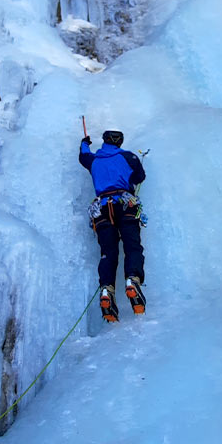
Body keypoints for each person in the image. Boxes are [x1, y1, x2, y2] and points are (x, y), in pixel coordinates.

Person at [79, 130, 146, 322]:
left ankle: (107, 290)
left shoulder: (93, 160)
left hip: (101, 210)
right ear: (120, 142)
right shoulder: (128, 157)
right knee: (132, 246)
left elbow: (83, 156)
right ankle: (132, 279)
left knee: (108, 253)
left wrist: (84, 143)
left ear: (105, 141)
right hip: (125, 205)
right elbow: (140, 177)